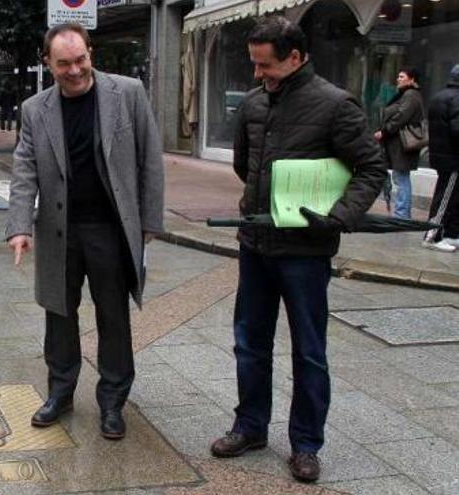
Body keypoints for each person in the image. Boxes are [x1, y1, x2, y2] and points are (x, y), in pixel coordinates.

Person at [209, 16, 386, 483]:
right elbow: (246, 165)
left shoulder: (335, 106)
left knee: (309, 351)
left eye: (265, 65)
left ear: (295, 57)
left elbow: (372, 169)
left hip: (306, 252)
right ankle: (250, 427)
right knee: (249, 344)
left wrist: (340, 215)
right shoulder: (252, 104)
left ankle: (306, 444)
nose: (257, 74)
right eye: (254, 65)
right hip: (256, 244)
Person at [5, 23, 164, 441]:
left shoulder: (127, 93)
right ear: (48, 63)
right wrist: (20, 225)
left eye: (80, 60)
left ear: (90, 52)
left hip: (110, 229)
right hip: (61, 229)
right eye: (63, 63)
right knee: (59, 313)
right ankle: (60, 392)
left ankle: (113, 401)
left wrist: (149, 221)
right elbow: (24, 171)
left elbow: (150, 158)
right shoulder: (35, 109)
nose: (74, 70)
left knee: (113, 315)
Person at [375, 68, 426, 220]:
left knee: (401, 177)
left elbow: (401, 116)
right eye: (398, 76)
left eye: (402, 76)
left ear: (412, 80)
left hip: (403, 144)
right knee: (400, 177)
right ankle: (402, 213)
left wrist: (385, 131)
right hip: (398, 144)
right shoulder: (406, 94)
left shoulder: (411, 95)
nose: (398, 79)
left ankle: (402, 214)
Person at [422, 64, 459, 253]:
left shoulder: (440, 96)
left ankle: (451, 235)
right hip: (453, 158)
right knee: (446, 198)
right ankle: (432, 236)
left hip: (442, 155)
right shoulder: (456, 99)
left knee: (450, 196)